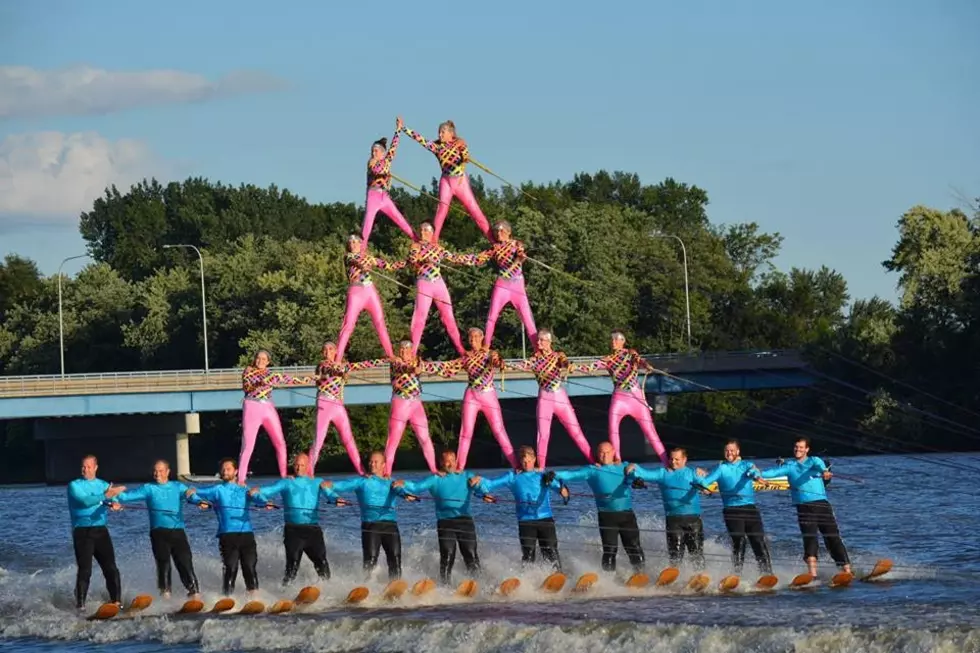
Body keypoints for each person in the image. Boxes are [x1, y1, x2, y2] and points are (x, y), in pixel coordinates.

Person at [755, 437, 851, 576]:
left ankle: (847, 570)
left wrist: (824, 472)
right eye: (796, 447)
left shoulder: (814, 461)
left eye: (801, 447)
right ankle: (812, 574)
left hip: (822, 505)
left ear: (807, 449)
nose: (798, 450)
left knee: (832, 537)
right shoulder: (789, 466)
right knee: (810, 538)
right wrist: (756, 473)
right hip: (804, 507)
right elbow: (771, 473)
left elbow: (820, 466)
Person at [109, 459, 202, 599]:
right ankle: (165, 596)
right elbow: (124, 497)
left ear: (168, 472)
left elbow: (191, 496)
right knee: (163, 563)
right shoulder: (148, 488)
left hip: (178, 532)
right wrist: (114, 500)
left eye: (160, 471)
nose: (157, 473)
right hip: (158, 533)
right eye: (155, 471)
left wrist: (200, 501)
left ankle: (194, 594)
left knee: (185, 562)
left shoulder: (178, 486)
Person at [393, 450, 490, 585]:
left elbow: (479, 489)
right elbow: (417, 487)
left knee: (470, 554)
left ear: (456, 461)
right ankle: (445, 585)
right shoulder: (435, 479)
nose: (449, 464)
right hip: (445, 522)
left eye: (452, 460)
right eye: (446, 460)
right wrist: (404, 483)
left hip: (465, 521)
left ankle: (480, 584)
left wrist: (484, 492)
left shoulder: (466, 476)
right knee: (448, 555)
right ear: (441, 462)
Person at [574, 330, 668, 465]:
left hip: (636, 397)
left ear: (622, 341)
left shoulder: (631, 354)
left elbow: (639, 360)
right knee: (613, 427)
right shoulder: (607, 359)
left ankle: (665, 462)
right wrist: (572, 367)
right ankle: (617, 460)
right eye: (611, 340)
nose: (613, 342)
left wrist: (646, 365)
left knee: (650, 431)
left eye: (616, 339)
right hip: (619, 398)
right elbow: (591, 367)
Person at [320, 451, 418, 580]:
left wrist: (406, 494)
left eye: (376, 462)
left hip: (390, 525)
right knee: (370, 559)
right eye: (371, 461)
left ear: (383, 465)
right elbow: (341, 486)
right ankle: (367, 586)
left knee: (395, 557)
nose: (372, 464)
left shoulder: (392, 482)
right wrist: (330, 488)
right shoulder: (361, 482)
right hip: (370, 526)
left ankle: (395, 584)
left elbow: (399, 489)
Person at [470, 446, 570, 571]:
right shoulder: (512, 477)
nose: (526, 463)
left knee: (550, 551)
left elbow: (565, 495)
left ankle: (558, 575)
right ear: (519, 461)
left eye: (529, 460)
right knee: (528, 553)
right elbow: (489, 485)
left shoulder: (543, 476)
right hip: (526, 521)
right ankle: (528, 580)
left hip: (545, 519)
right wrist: (479, 485)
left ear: (534, 459)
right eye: (523, 461)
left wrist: (558, 483)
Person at [508, 329, 595, 468]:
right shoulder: (534, 360)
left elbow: (564, 361)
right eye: (538, 340)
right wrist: (503, 365)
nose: (539, 342)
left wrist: (569, 365)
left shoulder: (558, 356)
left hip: (560, 396)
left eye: (542, 340)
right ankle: (541, 467)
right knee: (543, 434)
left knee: (576, 431)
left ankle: (593, 461)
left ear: (549, 342)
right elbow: (519, 366)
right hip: (545, 397)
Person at [186, 458, 271, 597]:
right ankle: (227, 598)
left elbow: (257, 497)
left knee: (249, 568)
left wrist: (265, 502)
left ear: (236, 471)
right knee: (231, 569)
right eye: (223, 469)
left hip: (247, 535)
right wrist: (196, 499)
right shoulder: (216, 490)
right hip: (227, 536)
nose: (225, 472)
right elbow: (193, 493)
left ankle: (255, 599)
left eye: (228, 469)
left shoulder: (244, 489)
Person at [555, 442, 644, 572]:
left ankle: (641, 574)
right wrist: (553, 474)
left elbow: (634, 474)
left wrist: (638, 479)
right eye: (601, 452)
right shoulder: (592, 470)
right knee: (610, 550)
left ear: (613, 452)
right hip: (607, 517)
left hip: (627, 515)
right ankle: (608, 580)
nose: (605, 455)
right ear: (597, 454)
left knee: (634, 547)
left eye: (607, 452)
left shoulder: (623, 466)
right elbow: (570, 474)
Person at [249, 453, 337, 586]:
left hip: (313, 530)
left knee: (321, 561)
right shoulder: (286, 482)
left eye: (302, 465)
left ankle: (329, 588)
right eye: (296, 465)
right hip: (293, 531)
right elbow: (269, 490)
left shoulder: (317, 482)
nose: (298, 468)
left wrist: (336, 499)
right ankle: (286, 590)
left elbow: (329, 494)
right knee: (293, 564)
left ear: (308, 467)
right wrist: (257, 492)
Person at [400, 118, 493, 242]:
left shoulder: (460, 143)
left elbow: (465, 155)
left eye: (443, 132)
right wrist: (404, 128)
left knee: (474, 209)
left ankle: (492, 239)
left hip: (460, 181)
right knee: (441, 210)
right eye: (439, 132)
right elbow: (421, 140)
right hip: (446, 181)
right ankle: (434, 242)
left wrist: (464, 158)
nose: (440, 134)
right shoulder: (437, 147)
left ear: (451, 133)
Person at [400, 221, 482, 356]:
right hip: (424, 283)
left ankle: (461, 351)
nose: (422, 233)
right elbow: (412, 258)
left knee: (449, 317)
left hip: (438, 283)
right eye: (421, 230)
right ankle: (412, 354)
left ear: (432, 233)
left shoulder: (438, 248)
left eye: (426, 230)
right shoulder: (416, 246)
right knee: (420, 319)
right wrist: (423, 258)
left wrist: (474, 259)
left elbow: (455, 258)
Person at [694, 440, 773, 575]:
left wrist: (758, 477)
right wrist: (702, 487)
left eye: (732, 450)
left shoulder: (746, 465)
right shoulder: (721, 468)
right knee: (739, 542)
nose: (729, 453)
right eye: (727, 450)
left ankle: (767, 573)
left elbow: (753, 472)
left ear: (738, 452)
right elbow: (705, 481)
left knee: (759, 541)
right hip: (732, 510)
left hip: (750, 509)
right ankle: (737, 574)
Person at [309, 341, 387, 476]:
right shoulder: (322, 366)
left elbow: (362, 365)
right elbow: (326, 372)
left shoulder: (343, 366)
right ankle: (309, 472)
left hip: (338, 405)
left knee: (349, 439)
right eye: (325, 349)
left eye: (331, 349)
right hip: (325, 403)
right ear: (323, 352)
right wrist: (341, 370)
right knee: (319, 440)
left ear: (336, 352)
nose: (328, 352)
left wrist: (383, 360)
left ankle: (361, 471)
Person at [447, 327, 517, 471]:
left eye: (476, 337)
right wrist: (427, 368)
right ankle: (460, 467)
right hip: (471, 394)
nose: (473, 341)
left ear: (482, 338)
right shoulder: (465, 357)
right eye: (471, 338)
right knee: (466, 431)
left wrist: (498, 362)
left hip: (488, 394)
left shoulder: (490, 354)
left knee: (498, 429)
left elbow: (497, 362)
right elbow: (450, 369)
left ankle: (515, 464)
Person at [384, 340, 457, 475]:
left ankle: (434, 469)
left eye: (406, 350)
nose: (402, 352)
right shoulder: (395, 362)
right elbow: (401, 368)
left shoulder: (419, 362)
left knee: (424, 437)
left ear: (412, 351)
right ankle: (387, 472)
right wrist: (413, 369)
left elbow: (434, 368)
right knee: (394, 439)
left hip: (416, 404)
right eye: (401, 349)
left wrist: (451, 370)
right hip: (400, 403)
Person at [239, 350, 312, 484]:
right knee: (248, 445)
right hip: (252, 406)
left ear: (268, 362)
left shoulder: (271, 375)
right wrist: (260, 382)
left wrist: (307, 379)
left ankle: (283, 475)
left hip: (268, 407)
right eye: (258, 358)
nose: (260, 361)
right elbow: (247, 387)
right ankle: (241, 479)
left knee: (280, 442)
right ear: (254, 359)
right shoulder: (248, 371)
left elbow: (288, 379)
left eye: (263, 359)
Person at [626, 448, 706, 569]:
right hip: (673, 520)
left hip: (693, 520)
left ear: (684, 460)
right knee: (675, 555)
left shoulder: (693, 473)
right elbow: (643, 473)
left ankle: (700, 575)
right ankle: (674, 578)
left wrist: (704, 477)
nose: (673, 462)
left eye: (677, 459)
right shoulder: (662, 473)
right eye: (671, 459)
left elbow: (707, 482)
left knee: (696, 554)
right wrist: (633, 466)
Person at [68, 455, 123, 609]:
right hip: (82, 532)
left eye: (89, 467)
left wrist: (115, 504)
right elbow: (85, 501)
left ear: (96, 468)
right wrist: (107, 495)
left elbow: (114, 499)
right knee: (85, 570)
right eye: (83, 467)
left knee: (111, 568)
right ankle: (81, 606)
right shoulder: (74, 485)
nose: (85, 469)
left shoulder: (103, 485)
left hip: (101, 531)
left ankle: (116, 602)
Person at [335, 233, 402, 361]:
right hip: (356, 291)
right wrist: (361, 266)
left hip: (370, 290)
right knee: (348, 324)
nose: (352, 244)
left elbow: (388, 266)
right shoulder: (348, 257)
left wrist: (408, 262)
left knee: (380, 322)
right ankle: (338, 359)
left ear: (361, 244)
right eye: (350, 242)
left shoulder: (369, 258)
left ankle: (390, 354)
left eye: (355, 242)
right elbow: (353, 261)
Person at [473, 220, 537, 347]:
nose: (498, 233)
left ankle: (537, 349)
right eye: (496, 231)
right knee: (492, 317)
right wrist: (454, 257)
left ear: (509, 232)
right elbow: (478, 259)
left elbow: (520, 256)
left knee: (527, 318)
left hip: (517, 284)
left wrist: (519, 258)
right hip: (502, 284)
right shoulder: (495, 248)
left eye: (501, 230)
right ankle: (485, 347)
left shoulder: (517, 244)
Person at [362, 116, 416, 243]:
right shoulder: (371, 162)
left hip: (384, 196)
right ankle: (362, 249)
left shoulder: (387, 161)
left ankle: (417, 240)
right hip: (373, 194)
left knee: (400, 220)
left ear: (382, 152)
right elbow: (375, 170)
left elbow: (393, 147)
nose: (373, 153)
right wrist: (383, 171)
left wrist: (398, 130)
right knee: (368, 223)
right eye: (372, 151)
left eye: (376, 151)